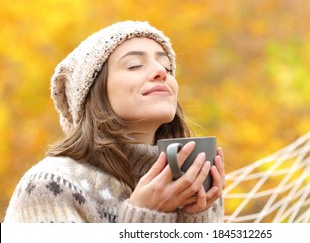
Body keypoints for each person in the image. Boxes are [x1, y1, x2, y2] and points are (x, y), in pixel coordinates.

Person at [4, 21, 225, 223]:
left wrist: (194, 217)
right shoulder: (50, 185)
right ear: (94, 93)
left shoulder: (194, 184)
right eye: (135, 65)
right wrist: (144, 217)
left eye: (166, 68)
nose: (161, 72)